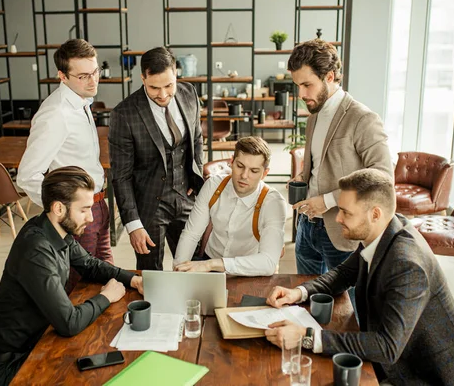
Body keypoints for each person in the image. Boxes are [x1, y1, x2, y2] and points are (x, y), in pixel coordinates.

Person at [265, 169, 454, 385]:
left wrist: (306, 337)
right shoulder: (385, 229)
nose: (338, 218)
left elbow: (386, 347)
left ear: (375, 214)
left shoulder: (407, 265)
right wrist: (298, 292)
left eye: (346, 212)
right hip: (398, 357)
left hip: (422, 375)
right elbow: (344, 273)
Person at [0, 166, 143, 386]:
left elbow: (90, 265)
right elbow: (68, 323)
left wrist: (132, 279)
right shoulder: (36, 250)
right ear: (58, 208)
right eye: (83, 210)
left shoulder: (55, 230)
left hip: (37, 343)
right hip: (9, 368)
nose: (91, 217)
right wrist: (106, 296)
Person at [288, 39, 393, 277]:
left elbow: (383, 176)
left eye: (307, 85)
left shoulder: (362, 119)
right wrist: (301, 178)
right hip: (306, 227)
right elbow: (321, 164)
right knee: (307, 299)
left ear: (329, 76)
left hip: (342, 230)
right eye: (298, 86)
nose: (301, 94)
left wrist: (327, 200)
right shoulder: (313, 116)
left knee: (349, 308)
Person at [17, 39, 113, 267]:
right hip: (77, 213)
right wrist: (63, 213)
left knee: (105, 275)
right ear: (62, 76)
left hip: (99, 204)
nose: (93, 81)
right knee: (79, 286)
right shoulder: (55, 113)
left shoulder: (82, 100)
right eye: (83, 76)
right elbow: (27, 176)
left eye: (95, 72)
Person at [109, 47, 204, 270]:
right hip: (149, 208)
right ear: (143, 78)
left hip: (187, 199)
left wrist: (195, 177)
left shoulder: (189, 93)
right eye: (154, 87)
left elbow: (197, 139)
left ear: (176, 75)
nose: (162, 94)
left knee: (195, 267)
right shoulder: (124, 114)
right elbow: (120, 176)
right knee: (151, 275)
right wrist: (133, 224)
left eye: (168, 85)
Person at [173, 136, 286, 276]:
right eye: (240, 166)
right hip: (208, 262)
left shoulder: (273, 202)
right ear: (232, 162)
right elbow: (191, 234)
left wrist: (212, 264)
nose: (244, 175)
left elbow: (268, 263)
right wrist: (179, 270)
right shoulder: (213, 185)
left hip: (250, 270)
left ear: (265, 173)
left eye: (254, 171)